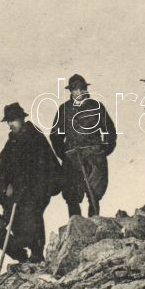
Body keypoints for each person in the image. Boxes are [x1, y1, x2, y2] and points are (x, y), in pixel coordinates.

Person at [0, 103, 61, 263]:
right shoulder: (11, 142)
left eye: (13, 120)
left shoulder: (34, 136)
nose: (10, 124)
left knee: (33, 218)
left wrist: (41, 187)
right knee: (16, 222)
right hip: (17, 192)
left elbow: (46, 163)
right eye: (8, 121)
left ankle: (37, 253)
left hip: (35, 189)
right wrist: (3, 186)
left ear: (22, 119)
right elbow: (4, 166)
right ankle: (25, 256)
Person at [50, 74, 117, 217]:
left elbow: (110, 131)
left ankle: (94, 224)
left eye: (82, 89)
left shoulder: (96, 107)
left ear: (86, 89)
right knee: (71, 195)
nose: (79, 92)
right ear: (71, 92)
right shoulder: (64, 110)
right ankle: (76, 227)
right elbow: (55, 136)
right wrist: (65, 155)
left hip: (94, 156)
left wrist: (104, 150)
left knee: (95, 192)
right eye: (75, 90)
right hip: (73, 157)